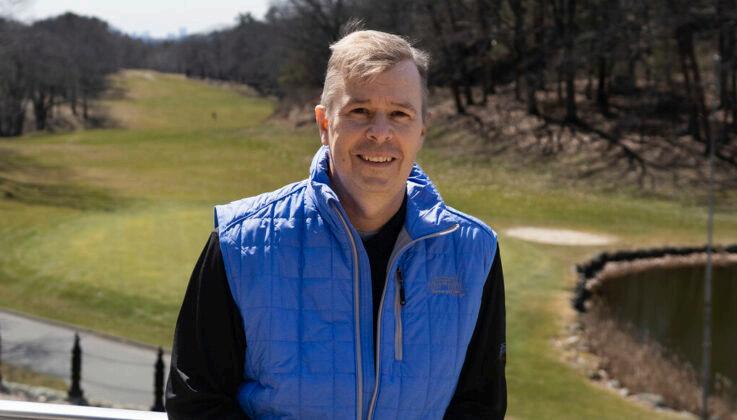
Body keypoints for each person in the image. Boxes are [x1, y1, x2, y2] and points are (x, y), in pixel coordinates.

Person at [166, 29, 507, 419]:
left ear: (422, 130)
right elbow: (197, 403)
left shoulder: (474, 251)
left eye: (400, 114)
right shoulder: (239, 242)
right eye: (359, 111)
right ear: (324, 123)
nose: (380, 132)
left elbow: (480, 406)